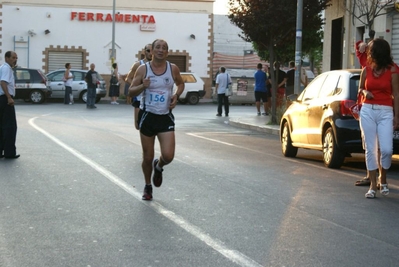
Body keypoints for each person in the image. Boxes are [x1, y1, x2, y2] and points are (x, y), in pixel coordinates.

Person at [129, 39, 184, 201]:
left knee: (168, 156)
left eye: (164, 48)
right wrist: (143, 86)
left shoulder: (172, 69)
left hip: (165, 116)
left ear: (167, 52)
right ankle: (147, 186)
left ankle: (158, 166)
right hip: (148, 116)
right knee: (147, 156)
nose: (161, 50)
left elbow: (180, 84)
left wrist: (176, 95)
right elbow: (131, 91)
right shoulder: (142, 69)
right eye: (158, 47)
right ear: (151, 51)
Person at [358, 38, 399, 198]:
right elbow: (361, 88)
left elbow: (396, 94)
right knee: (371, 148)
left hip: (386, 111)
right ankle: (373, 186)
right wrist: (364, 92)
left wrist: (397, 116)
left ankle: (383, 178)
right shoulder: (366, 69)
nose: (368, 53)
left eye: (371, 50)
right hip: (368, 110)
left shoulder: (393, 70)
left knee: (387, 149)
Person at [126, 44, 152, 129]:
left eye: (152, 51)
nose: (150, 53)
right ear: (144, 51)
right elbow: (128, 78)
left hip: (151, 98)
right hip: (139, 97)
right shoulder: (138, 65)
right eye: (148, 51)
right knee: (138, 125)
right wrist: (138, 87)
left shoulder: (157, 66)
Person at [0, 51, 20, 159]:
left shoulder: (3, 67)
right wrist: (9, 97)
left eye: (16, 58)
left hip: (1, 99)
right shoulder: (6, 68)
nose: (15, 59)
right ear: (7, 58)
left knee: (2, 126)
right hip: (5, 99)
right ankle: (9, 152)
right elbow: (3, 82)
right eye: (13, 57)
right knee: (10, 127)